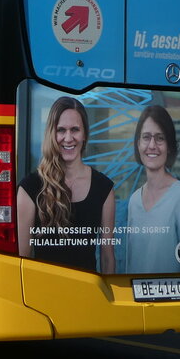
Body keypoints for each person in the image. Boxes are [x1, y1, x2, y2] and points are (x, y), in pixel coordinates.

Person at [17, 96, 116, 272]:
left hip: (88, 294)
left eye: (75, 130)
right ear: (51, 134)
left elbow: (108, 259)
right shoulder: (30, 188)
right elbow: (21, 260)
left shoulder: (104, 188)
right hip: (44, 295)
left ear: (85, 134)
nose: (68, 138)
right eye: (61, 130)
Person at [122, 105, 180, 273]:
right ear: (138, 144)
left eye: (160, 138)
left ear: (169, 145)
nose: (152, 145)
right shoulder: (134, 200)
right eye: (146, 137)